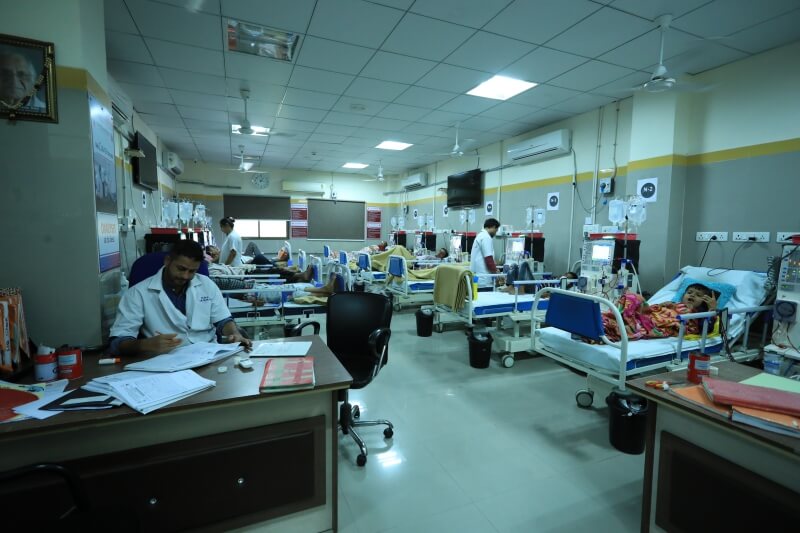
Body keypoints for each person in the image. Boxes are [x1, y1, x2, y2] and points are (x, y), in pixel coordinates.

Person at [108, 240, 251, 357]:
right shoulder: (138, 293)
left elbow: (223, 320)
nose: (185, 276)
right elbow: (117, 342)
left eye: (192, 271)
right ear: (167, 261)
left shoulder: (206, 284)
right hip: (167, 361)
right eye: (181, 269)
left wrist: (234, 333)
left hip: (208, 356)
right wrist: (145, 344)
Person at [597, 283, 719, 343]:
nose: (692, 295)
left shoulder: (698, 315)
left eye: (698, 295)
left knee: (632, 304)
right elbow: (652, 309)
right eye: (690, 292)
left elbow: (706, 328)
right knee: (634, 298)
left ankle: (609, 325)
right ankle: (608, 320)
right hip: (646, 316)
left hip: (654, 325)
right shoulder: (672, 304)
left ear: (704, 302)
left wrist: (712, 309)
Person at [470, 218, 501, 286]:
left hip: (478, 277)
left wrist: (495, 268)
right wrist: (496, 273)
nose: (495, 233)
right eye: (496, 231)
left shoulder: (480, 236)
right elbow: (488, 259)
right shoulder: (486, 237)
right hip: (484, 278)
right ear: (493, 227)